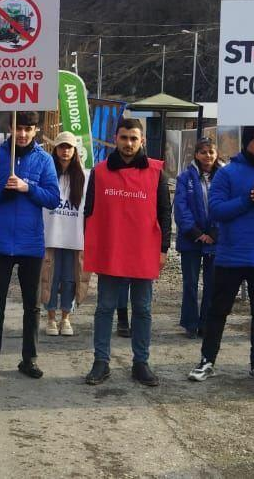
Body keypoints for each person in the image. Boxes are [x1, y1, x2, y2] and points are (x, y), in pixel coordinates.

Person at [189, 127, 254, 386]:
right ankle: (207, 360)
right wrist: (246, 201)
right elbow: (215, 209)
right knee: (218, 311)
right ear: (248, 142)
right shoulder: (228, 173)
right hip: (232, 254)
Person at [83, 118, 171, 387]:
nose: (129, 143)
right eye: (124, 138)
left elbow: (165, 213)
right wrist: (91, 245)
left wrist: (164, 248)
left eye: (134, 138)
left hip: (144, 251)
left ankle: (140, 363)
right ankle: (101, 361)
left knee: (142, 309)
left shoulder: (157, 173)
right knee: (105, 308)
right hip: (111, 249)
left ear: (142, 140)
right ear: (116, 138)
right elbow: (89, 212)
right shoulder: (99, 172)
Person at [0, 111, 60, 379]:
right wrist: (1, 190)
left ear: (36, 130)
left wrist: (27, 188)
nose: (23, 133)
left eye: (28, 128)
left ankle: (29, 359)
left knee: (32, 307)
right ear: (11, 127)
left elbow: (53, 198)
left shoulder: (45, 160)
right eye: (19, 127)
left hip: (31, 243)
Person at [40, 131, 89, 337]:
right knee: (49, 277)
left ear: (75, 150)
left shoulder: (85, 176)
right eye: (61, 146)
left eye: (69, 147)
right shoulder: (47, 173)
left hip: (74, 237)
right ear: (55, 149)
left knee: (71, 278)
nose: (65, 151)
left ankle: (66, 317)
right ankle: (51, 318)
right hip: (51, 234)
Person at [174, 138, 222, 339]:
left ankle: (206, 323)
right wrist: (196, 233)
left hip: (216, 238)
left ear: (216, 153)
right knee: (191, 283)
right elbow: (181, 207)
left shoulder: (224, 176)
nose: (207, 156)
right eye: (203, 152)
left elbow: (226, 205)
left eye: (211, 152)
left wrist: (214, 232)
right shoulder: (185, 177)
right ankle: (190, 323)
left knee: (212, 284)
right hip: (191, 238)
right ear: (196, 154)